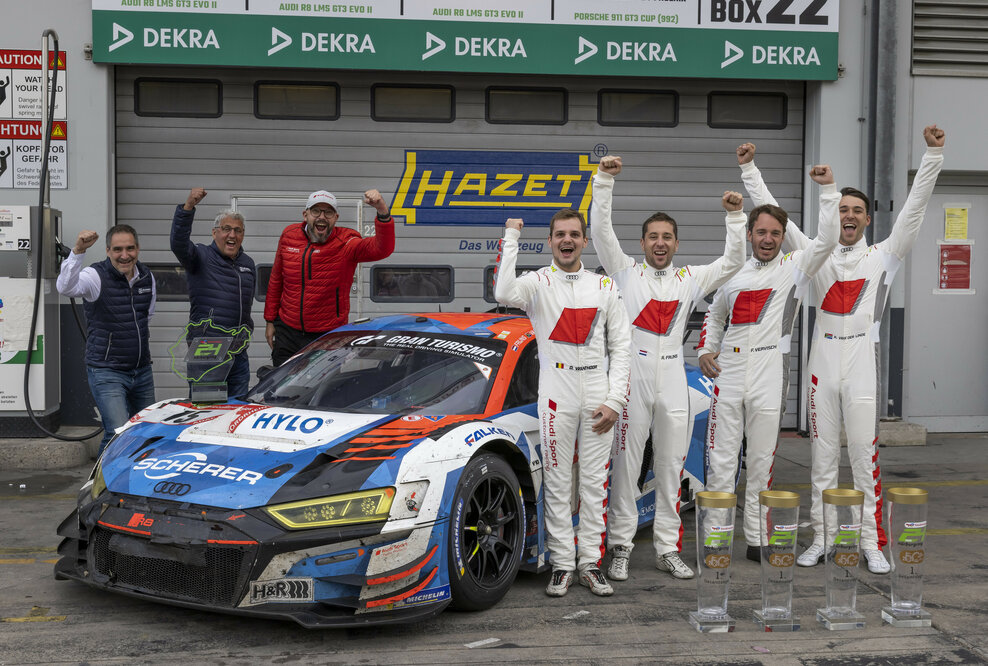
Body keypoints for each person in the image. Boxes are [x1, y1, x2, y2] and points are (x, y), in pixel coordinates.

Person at [738, 125, 946, 574]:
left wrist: (932, 155)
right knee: (823, 458)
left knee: (863, 458)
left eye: (857, 211)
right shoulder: (816, 254)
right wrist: (749, 169)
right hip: (823, 362)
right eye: (842, 209)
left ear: (867, 220)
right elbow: (773, 215)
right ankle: (823, 537)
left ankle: (870, 541)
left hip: (862, 362)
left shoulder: (885, 255)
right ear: (834, 215)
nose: (848, 215)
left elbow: (914, 209)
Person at [592, 155, 746, 582]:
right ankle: (620, 547)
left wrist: (736, 218)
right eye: (653, 237)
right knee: (626, 466)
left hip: (674, 375)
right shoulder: (624, 272)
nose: (660, 244)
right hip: (632, 377)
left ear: (677, 244)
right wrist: (604, 180)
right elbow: (600, 230)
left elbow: (733, 262)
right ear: (642, 243)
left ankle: (667, 548)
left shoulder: (690, 279)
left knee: (671, 466)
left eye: (667, 237)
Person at [697, 162, 840, 562]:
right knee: (722, 460)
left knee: (761, 461)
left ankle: (757, 539)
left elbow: (828, 238)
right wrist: (706, 349)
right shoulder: (732, 273)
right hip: (728, 371)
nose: (768, 239)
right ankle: (716, 539)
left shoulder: (797, 266)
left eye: (775, 233)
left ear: (783, 237)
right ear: (749, 234)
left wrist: (829, 189)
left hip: (770, 372)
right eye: (761, 232)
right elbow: (715, 316)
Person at [494, 210, 631, 598]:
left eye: (574, 234)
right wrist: (511, 237)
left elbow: (622, 347)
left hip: (598, 390)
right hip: (557, 391)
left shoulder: (604, 285)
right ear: (550, 241)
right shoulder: (537, 282)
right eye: (559, 235)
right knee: (556, 481)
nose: (567, 240)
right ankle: (562, 564)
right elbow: (502, 294)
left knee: (594, 482)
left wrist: (615, 400)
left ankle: (590, 563)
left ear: (585, 241)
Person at [264, 189, 395, 366]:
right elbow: (276, 279)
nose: (322, 217)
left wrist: (382, 211)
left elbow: (382, 249)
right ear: (305, 214)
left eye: (328, 212)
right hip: (288, 331)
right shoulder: (289, 236)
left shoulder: (347, 243)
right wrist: (270, 320)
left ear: (336, 217)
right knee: (281, 380)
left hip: (327, 336)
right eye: (316, 211)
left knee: (321, 383)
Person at [56, 226, 156, 454]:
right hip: (107, 371)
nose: (125, 255)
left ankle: (132, 473)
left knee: (146, 432)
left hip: (142, 371)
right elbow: (65, 287)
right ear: (108, 251)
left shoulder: (146, 276)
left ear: (138, 249)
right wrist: (78, 251)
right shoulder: (95, 276)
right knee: (118, 432)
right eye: (118, 249)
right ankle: (104, 477)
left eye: (130, 248)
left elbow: (145, 316)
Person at [170, 187, 256, 398]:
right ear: (214, 232)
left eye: (238, 230)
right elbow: (178, 243)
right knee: (207, 407)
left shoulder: (248, 264)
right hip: (208, 349)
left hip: (238, 350)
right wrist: (188, 207)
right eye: (226, 229)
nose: (232, 235)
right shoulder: (200, 256)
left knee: (237, 408)